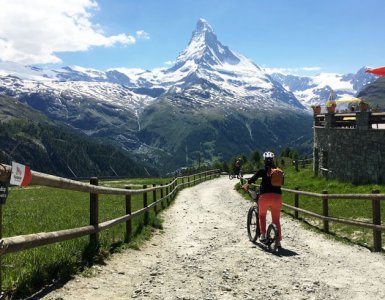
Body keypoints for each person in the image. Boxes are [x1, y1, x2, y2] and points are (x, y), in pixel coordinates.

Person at [242, 151, 283, 248]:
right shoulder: (278, 171)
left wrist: (246, 185)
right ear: (273, 160)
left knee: (262, 215)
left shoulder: (262, 171)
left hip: (264, 197)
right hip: (277, 197)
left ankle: (263, 235)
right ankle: (279, 241)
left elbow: (252, 179)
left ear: (264, 161)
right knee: (276, 219)